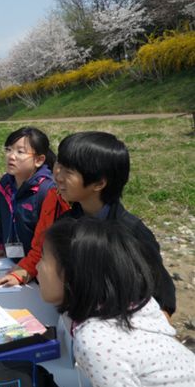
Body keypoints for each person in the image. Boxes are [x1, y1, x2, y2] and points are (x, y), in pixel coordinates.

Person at [37, 218, 195, 387]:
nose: (37, 267)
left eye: (43, 258)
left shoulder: (95, 342)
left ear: (73, 274)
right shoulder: (129, 305)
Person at [54, 131, 176, 316]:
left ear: (99, 183)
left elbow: (161, 294)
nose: (58, 176)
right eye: (59, 165)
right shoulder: (66, 224)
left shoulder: (132, 232)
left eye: (68, 171)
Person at [0, 127, 69, 286]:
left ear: (39, 160)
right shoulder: (4, 185)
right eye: (8, 149)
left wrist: (24, 271)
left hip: (37, 271)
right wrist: (0, 244)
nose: (11, 156)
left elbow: (47, 244)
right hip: (12, 263)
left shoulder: (48, 192)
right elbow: (3, 219)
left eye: (20, 152)